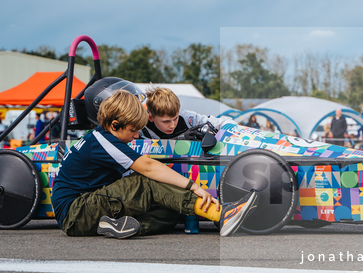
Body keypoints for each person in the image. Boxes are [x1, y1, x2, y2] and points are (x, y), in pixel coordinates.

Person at [51, 90, 257, 239]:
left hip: (85, 208)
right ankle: (223, 214)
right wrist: (193, 186)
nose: (135, 136)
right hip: (75, 211)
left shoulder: (103, 137)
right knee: (146, 182)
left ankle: (120, 226)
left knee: (170, 211)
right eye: (133, 130)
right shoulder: (102, 141)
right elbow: (149, 168)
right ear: (115, 125)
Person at [141, 87, 230, 139]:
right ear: (151, 118)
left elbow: (223, 122)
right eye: (166, 121)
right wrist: (181, 139)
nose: (172, 125)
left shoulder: (186, 117)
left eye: (175, 118)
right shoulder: (140, 126)